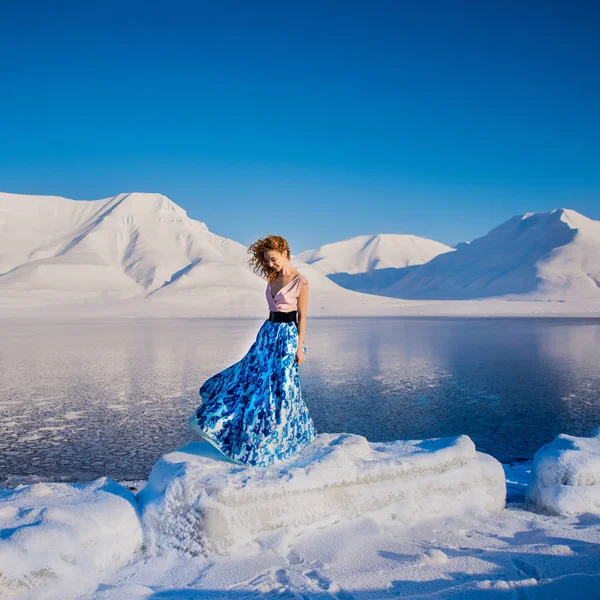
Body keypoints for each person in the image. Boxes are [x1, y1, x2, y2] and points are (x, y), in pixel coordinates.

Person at [188, 234, 317, 467]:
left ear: (286, 253)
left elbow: (302, 316)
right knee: (253, 382)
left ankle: (286, 437)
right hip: (267, 334)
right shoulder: (272, 278)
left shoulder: (301, 282)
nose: (270, 264)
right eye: (267, 260)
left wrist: (300, 348)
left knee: (284, 388)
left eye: (274, 259)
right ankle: (245, 434)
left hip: (288, 338)